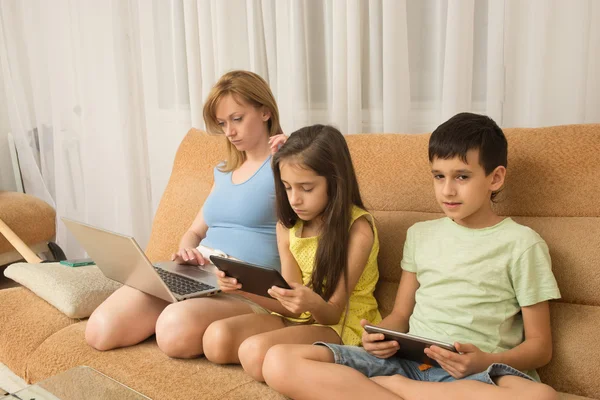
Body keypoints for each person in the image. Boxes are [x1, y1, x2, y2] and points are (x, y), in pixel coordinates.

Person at [262, 113, 561, 400]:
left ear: (495, 178)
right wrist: (378, 337)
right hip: (404, 363)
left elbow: (540, 347)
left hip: (473, 374)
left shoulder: (523, 244)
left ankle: (392, 391)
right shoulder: (420, 235)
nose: (447, 190)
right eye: (439, 176)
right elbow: (401, 316)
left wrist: (484, 361)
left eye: (462, 177)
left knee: (541, 396)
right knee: (278, 360)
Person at [85, 70, 286, 357]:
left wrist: (297, 152)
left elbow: (322, 198)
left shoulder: (287, 166)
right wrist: (187, 252)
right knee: (100, 330)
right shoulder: (223, 171)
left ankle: (179, 313)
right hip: (198, 274)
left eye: (237, 119)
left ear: (265, 111)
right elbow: (194, 231)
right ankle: (179, 304)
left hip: (241, 288)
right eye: (222, 123)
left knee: (173, 332)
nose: (229, 132)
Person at [201, 124, 382, 382]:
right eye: (287, 187)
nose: (294, 199)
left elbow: (332, 312)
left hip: (341, 323)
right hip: (303, 317)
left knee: (254, 353)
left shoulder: (358, 230)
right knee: (215, 339)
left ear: (335, 183)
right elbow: (293, 310)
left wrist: (311, 302)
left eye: (306, 189)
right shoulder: (288, 227)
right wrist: (239, 288)